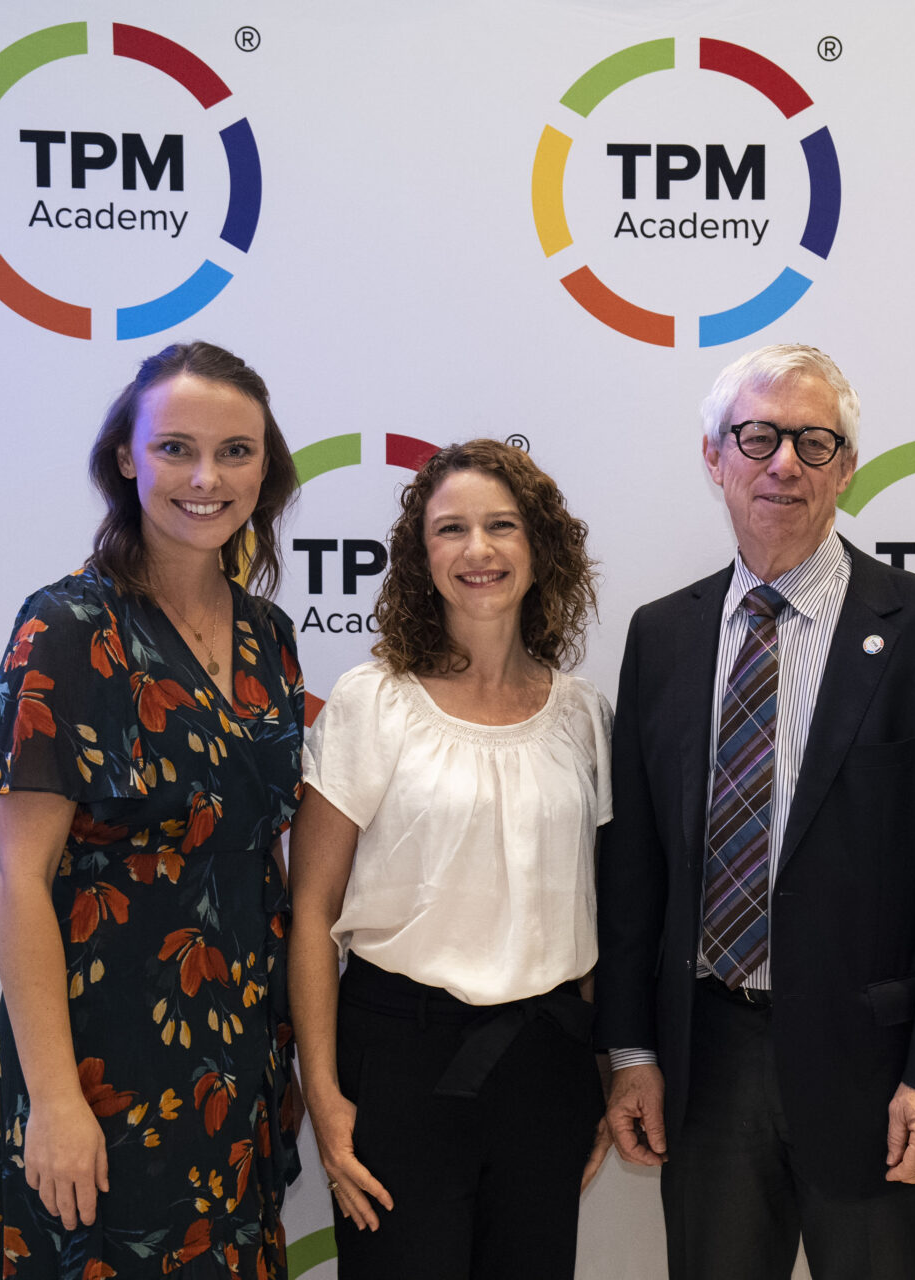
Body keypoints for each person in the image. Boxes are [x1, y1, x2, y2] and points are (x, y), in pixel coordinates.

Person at [595, 344, 915, 1280]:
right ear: (715, 457)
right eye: (758, 437)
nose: (784, 462)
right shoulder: (661, 636)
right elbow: (635, 868)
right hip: (705, 1063)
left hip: (882, 1076)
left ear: (847, 467)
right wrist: (631, 1047)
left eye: (814, 441)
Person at [0, 342, 306, 1278]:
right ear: (127, 457)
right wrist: (54, 1100)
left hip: (238, 1058)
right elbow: (20, 878)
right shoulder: (67, 628)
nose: (207, 477)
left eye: (237, 451)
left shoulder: (271, 637)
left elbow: (261, 856)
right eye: (176, 449)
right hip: (103, 1064)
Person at [288, 439, 613, 1280]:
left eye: (502, 526)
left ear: (540, 549)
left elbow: (595, 911)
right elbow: (313, 914)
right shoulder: (373, 701)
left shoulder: (584, 717)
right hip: (400, 1063)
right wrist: (323, 1097)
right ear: (419, 557)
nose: (479, 551)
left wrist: (602, 1074)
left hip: (546, 1066)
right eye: (451, 530)